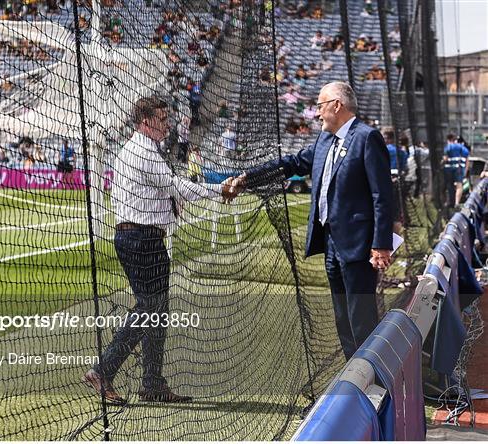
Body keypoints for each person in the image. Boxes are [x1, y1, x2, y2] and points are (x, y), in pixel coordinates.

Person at [82, 96, 237, 404]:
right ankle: (103, 371)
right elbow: (176, 187)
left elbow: (168, 192)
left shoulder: (143, 149)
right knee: (149, 309)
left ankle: (152, 382)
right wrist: (219, 189)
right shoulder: (142, 150)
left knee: (157, 311)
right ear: (146, 121)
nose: (168, 124)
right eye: (163, 119)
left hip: (142, 238)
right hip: (141, 239)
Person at [230, 82, 393, 360]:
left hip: (358, 245)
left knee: (361, 317)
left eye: (320, 105)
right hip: (330, 243)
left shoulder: (367, 137)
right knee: (342, 317)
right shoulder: (324, 141)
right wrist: (249, 178)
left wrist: (381, 244)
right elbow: (291, 163)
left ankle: (374, 379)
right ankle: (354, 375)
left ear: (336, 105)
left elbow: (382, 195)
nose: (317, 113)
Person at [442, 133, 469, 208]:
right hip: (459, 168)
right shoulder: (462, 148)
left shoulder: (448, 147)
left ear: (448, 140)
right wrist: (465, 172)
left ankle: (450, 202)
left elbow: (445, 158)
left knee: (450, 185)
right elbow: (467, 160)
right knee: (459, 186)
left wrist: (441, 163)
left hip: (449, 169)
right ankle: (456, 203)